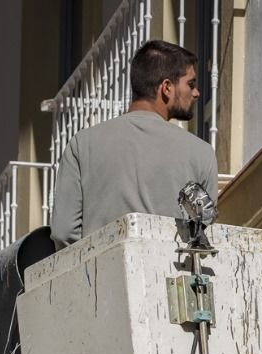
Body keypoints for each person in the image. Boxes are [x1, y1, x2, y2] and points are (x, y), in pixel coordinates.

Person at [50, 40, 218, 246]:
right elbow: (204, 234)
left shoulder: (82, 145)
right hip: (170, 266)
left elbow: (63, 232)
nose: (196, 92)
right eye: (190, 84)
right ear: (166, 87)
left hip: (100, 266)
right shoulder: (201, 153)